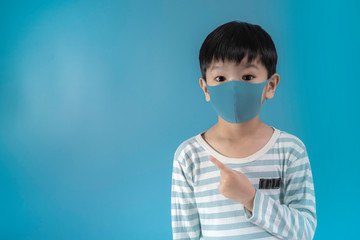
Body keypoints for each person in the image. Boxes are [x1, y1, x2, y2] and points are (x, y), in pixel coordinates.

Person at [171, 20, 317, 239]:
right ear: (206, 88)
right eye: (220, 78)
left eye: (247, 77)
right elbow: (185, 235)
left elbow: (305, 231)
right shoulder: (189, 156)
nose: (233, 88)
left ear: (270, 85)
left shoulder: (290, 150)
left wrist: (251, 198)